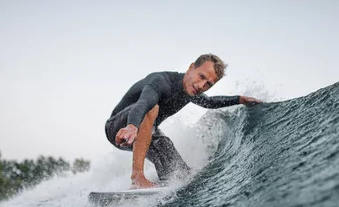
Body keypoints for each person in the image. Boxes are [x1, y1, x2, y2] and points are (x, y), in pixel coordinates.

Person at [104, 54, 262, 188]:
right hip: (119, 127)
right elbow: (144, 103)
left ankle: (160, 188)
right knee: (153, 108)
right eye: (201, 76)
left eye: (208, 84)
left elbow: (211, 102)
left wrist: (239, 99)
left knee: (178, 171)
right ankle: (137, 177)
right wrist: (132, 127)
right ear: (191, 67)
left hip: (146, 131)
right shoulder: (161, 81)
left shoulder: (191, 91)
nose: (201, 86)